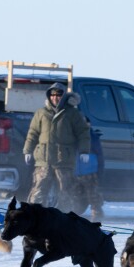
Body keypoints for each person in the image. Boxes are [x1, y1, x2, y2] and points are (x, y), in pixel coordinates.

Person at [23, 83, 91, 213]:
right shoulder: (41, 113)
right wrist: (27, 150)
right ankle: (32, 217)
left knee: (65, 191)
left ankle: (63, 219)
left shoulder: (72, 113)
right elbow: (33, 132)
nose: (55, 98)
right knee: (38, 190)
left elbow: (83, 132)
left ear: (63, 96)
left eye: (58, 95)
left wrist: (84, 151)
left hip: (63, 161)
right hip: (44, 160)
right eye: (52, 95)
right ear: (49, 96)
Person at [75, 126, 105, 222]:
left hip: (89, 171)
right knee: (77, 195)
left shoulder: (93, 137)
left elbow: (99, 155)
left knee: (93, 194)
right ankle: (74, 214)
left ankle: (97, 216)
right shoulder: (73, 135)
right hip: (76, 171)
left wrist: (100, 170)